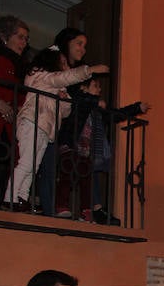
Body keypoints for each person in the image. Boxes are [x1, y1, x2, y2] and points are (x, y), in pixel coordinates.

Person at [3, 43, 108, 213]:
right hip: (32, 121)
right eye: (63, 63)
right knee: (26, 162)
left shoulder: (56, 86)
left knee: (34, 165)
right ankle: (10, 198)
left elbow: (66, 112)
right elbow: (63, 78)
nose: (66, 68)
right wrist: (89, 70)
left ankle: (21, 198)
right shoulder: (42, 75)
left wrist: (63, 98)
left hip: (46, 127)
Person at [56, 74, 149, 223]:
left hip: (86, 152)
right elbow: (82, 99)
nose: (99, 90)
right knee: (66, 176)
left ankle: (87, 212)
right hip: (70, 146)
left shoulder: (98, 110)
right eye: (95, 86)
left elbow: (116, 114)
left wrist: (137, 108)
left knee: (87, 181)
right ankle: (62, 207)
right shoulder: (78, 100)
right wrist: (96, 101)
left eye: (99, 87)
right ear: (84, 87)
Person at [0, 15, 29, 209]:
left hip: (11, 125)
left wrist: (20, 108)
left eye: (26, 38)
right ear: (5, 37)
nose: (24, 42)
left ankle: (2, 204)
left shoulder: (20, 68)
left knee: (6, 167)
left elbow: (21, 97)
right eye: (20, 36)